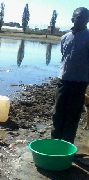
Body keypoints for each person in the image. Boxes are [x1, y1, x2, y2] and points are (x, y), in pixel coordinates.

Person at [51, 7, 89, 144]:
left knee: (73, 115)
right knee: (58, 112)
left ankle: (66, 146)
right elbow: (64, 56)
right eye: (79, 17)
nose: (82, 20)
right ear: (72, 19)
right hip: (63, 81)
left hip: (80, 83)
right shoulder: (65, 37)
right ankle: (55, 143)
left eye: (85, 18)